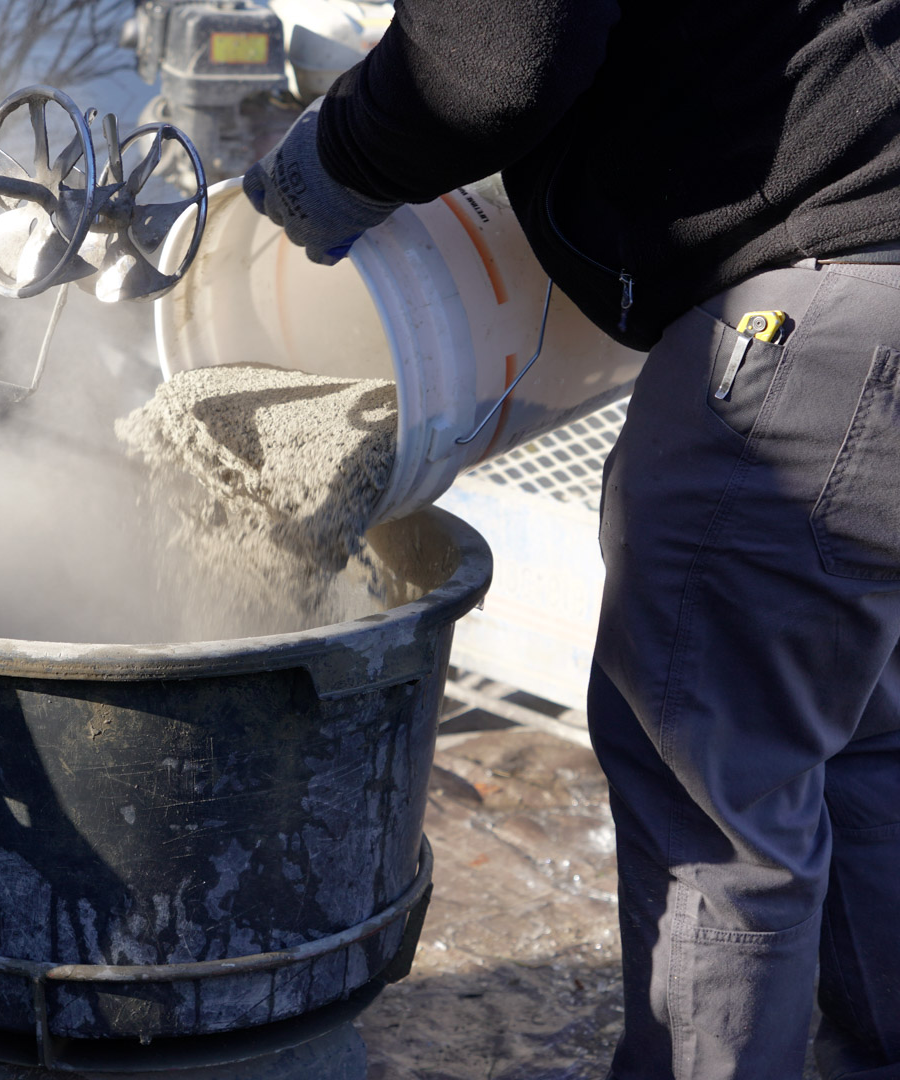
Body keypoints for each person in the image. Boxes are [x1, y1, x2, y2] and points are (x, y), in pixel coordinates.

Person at [242, 3, 900, 1078]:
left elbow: (496, 56)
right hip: (879, 287)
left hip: (810, 325)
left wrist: (342, 152)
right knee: (860, 739)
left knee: (710, 800)